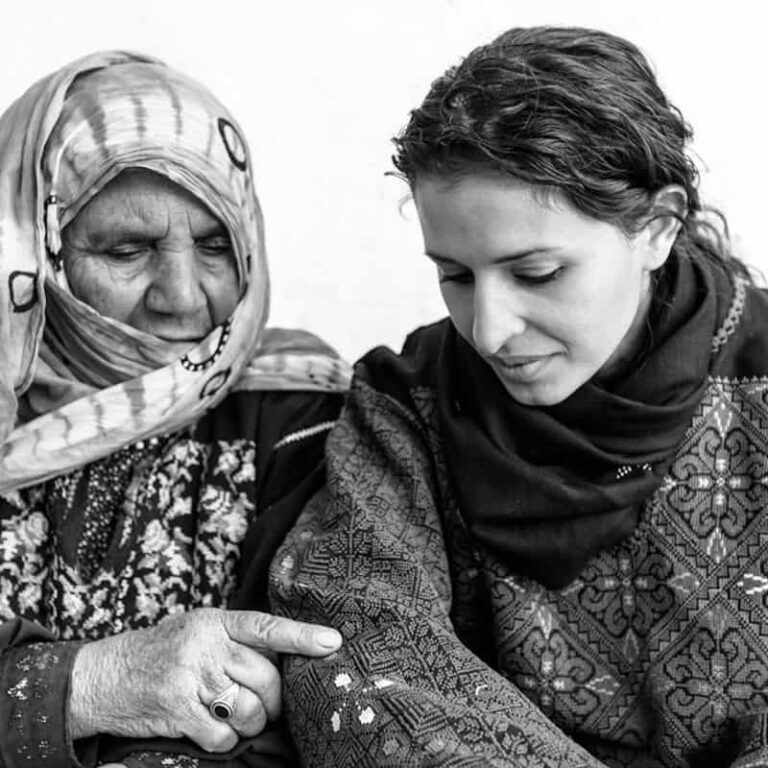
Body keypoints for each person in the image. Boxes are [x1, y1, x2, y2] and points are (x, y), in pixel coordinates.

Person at [271, 26, 768, 768]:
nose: (491, 331)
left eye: (536, 274)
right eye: (457, 277)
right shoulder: (407, 404)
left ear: (658, 229)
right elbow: (358, 659)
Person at [0, 51, 351, 768]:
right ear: (35, 251)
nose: (185, 298)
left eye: (217, 245)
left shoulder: (296, 413)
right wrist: (85, 684)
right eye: (130, 249)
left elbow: (323, 690)